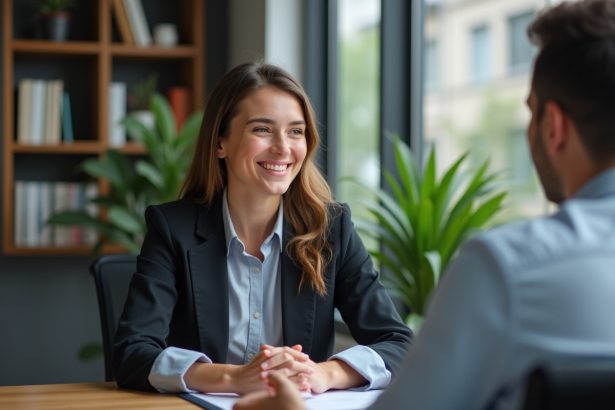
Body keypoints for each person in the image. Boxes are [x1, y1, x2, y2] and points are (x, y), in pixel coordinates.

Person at [233, 1, 615, 409]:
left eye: (530, 114)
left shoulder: (508, 268)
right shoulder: (176, 226)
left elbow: (397, 350)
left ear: (553, 126)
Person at [112, 63, 412, 395]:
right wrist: (231, 378)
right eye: (262, 130)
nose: (283, 148)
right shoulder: (173, 230)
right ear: (220, 143)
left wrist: (323, 374)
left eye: (296, 131)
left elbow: (398, 343)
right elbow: (133, 353)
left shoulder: (331, 230)